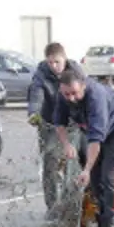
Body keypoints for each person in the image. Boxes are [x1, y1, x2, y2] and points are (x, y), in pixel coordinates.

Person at [54, 67, 114, 227]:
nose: (70, 98)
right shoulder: (63, 95)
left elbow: (95, 139)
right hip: (97, 133)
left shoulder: (96, 97)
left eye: (74, 93)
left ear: (84, 86)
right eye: (66, 94)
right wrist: (66, 144)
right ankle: (101, 223)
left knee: (111, 177)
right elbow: (59, 123)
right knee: (95, 179)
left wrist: (86, 168)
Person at [27, 42, 83, 212]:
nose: (53, 66)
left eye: (57, 62)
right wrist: (34, 112)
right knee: (50, 162)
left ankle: (71, 204)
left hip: (72, 124)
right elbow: (36, 94)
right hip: (49, 124)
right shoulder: (41, 74)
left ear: (64, 59)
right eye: (50, 62)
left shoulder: (76, 72)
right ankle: (52, 207)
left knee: (72, 162)